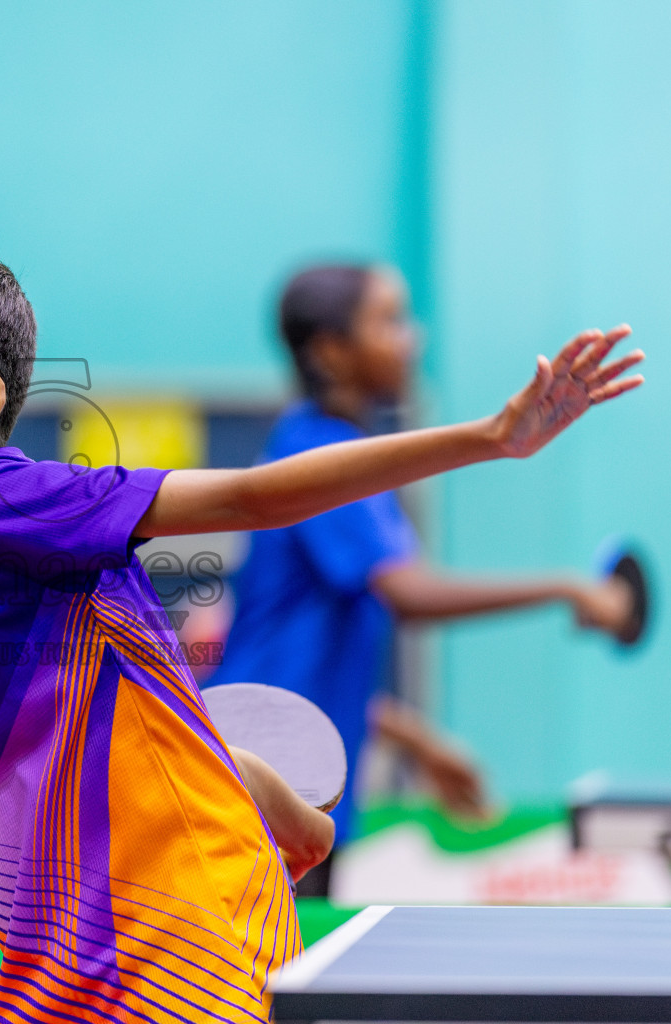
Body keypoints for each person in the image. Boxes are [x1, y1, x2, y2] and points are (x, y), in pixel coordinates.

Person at [0, 230, 642, 1023]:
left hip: (168, 958)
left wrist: (494, 437)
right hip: (84, 960)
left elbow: (251, 497)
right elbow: (138, 719)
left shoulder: (1, 501)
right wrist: (277, 802)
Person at [209, 264, 638, 894]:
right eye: (389, 321)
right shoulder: (318, 454)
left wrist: (413, 739)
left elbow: (298, 654)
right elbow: (409, 594)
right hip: (262, 788)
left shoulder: (327, 448)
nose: (412, 338)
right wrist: (570, 588)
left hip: (288, 781)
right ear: (331, 351)